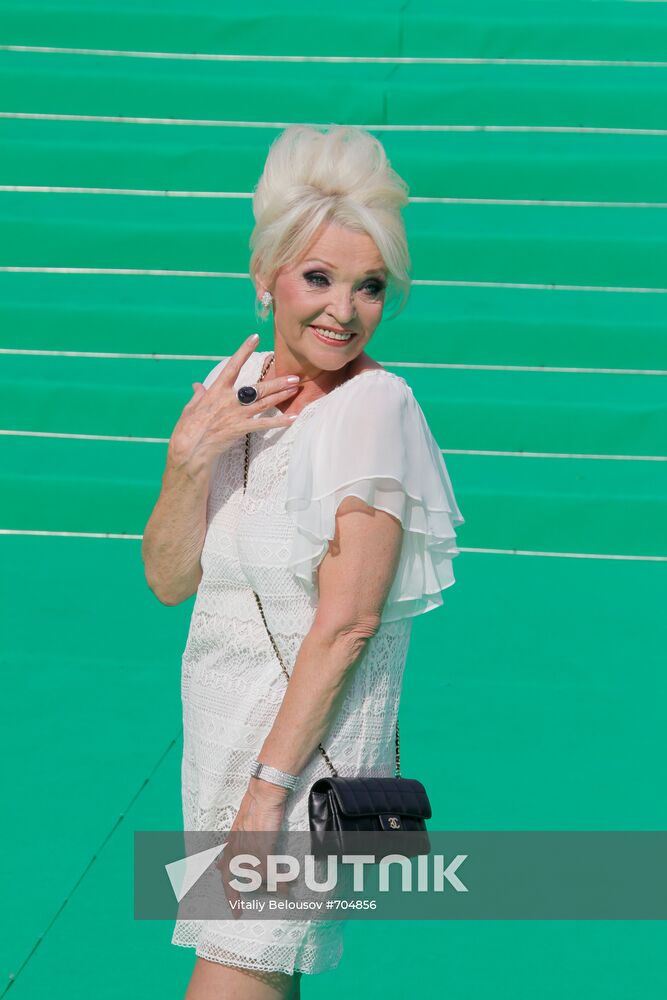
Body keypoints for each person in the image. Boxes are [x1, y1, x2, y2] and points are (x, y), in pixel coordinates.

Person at [142, 124, 465, 999]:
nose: (343, 310)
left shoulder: (374, 409)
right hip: (221, 742)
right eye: (318, 277)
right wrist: (187, 460)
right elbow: (170, 580)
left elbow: (348, 623)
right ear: (265, 277)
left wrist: (266, 792)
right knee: (260, 976)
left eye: (369, 286)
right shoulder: (233, 391)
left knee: (234, 975)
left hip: (297, 766)